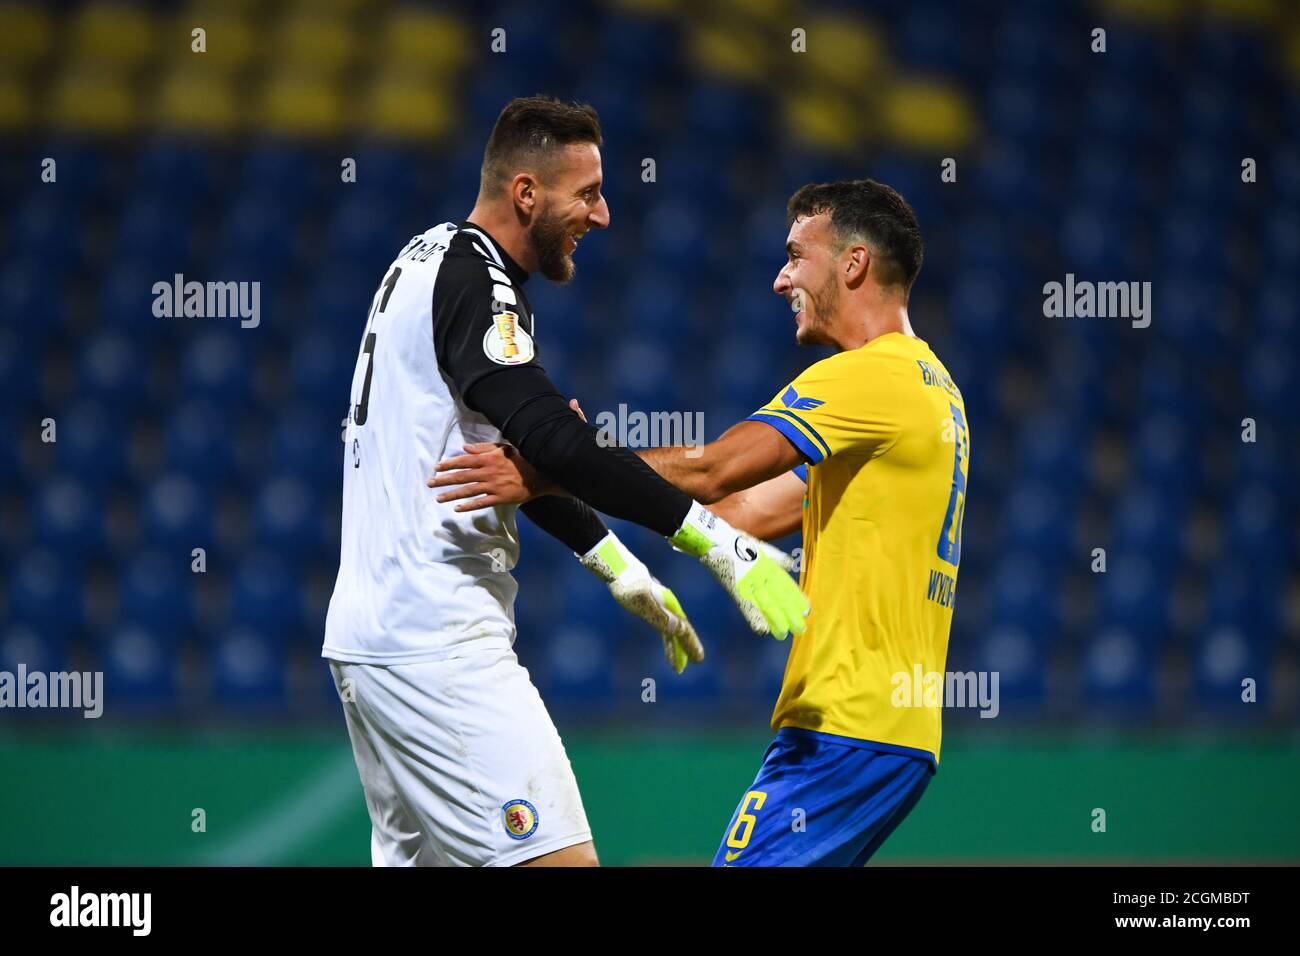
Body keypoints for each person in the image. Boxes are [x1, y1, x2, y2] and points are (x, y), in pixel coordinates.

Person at [323, 95, 807, 867]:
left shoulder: (425, 261)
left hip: (374, 640)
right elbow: (556, 441)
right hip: (436, 642)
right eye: (587, 193)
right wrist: (717, 544)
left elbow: (506, 462)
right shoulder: (477, 279)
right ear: (526, 193)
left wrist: (618, 569)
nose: (604, 215)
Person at [431, 178, 969, 866]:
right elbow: (730, 514)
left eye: (796, 256)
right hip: (892, 733)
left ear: (854, 264)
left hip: (847, 727)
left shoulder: (869, 377)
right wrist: (579, 476)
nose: (781, 280)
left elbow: (714, 470)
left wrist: (563, 457)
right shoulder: (933, 391)